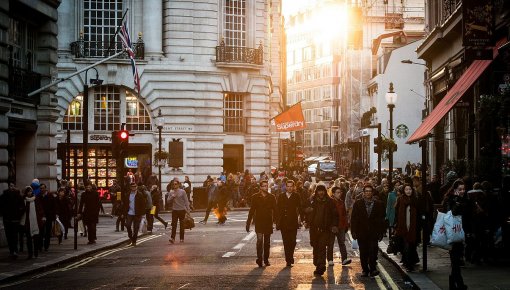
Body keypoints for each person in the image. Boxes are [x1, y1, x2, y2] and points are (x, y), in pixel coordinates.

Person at [350, 184, 386, 277]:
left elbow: (382, 219)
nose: (368, 193)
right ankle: (365, 270)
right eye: (366, 191)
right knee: (363, 252)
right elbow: (354, 218)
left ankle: (373, 269)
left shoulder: (379, 204)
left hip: (374, 232)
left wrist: (382, 232)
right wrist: (353, 231)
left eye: (370, 191)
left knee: (373, 251)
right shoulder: (358, 203)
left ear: (372, 192)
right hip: (361, 232)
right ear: (363, 192)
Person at [441, 179, 469, 290]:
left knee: (456, 261)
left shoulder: (464, 199)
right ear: (454, 190)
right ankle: (460, 285)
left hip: (461, 233)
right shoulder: (450, 200)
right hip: (452, 233)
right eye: (460, 189)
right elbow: (451, 214)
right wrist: (457, 201)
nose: (462, 191)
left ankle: (452, 284)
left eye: (463, 189)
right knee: (455, 260)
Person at [308, 184, 338, 276]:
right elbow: (306, 210)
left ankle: (321, 266)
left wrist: (334, 225)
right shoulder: (312, 201)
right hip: (314, 229)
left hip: (325, 229)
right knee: (315, 246)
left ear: (325, 192)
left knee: (322, 247)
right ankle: (317, 264)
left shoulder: (330, 202)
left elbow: (335, 215)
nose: (321, 193)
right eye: (319, 191)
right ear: (316, 192)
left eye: (322, 191)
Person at [246, 180, 276, 267]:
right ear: (260, 187)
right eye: (263, 186)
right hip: (259, 222)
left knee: (267, 242)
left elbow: (276, 210)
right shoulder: (255, 197)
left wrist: (277, 222)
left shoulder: (272, 197)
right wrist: (248, 223)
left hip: (268, 222)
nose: (265, 187)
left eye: (266, 186)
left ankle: (266, 259)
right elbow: (251, 210)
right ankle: (259, 259)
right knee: (259, 241)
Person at [276, 179, 303, 267]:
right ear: (285, 187)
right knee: (286, 242)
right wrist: (277, 221)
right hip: (283, 222)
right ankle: (288, 259)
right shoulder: (281, 196)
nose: (289, 188)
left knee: (293, 241)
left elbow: (300, 208)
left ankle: (290, 256)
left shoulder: (296, 196)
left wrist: (301, 219)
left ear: (293, 187)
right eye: (288, 186)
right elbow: (278, 209)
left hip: (293, 221)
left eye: (291, 186)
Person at [394, 183, 420, 271]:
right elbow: (397, 213)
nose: (408, 191)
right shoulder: (401, 200)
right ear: (404, 191)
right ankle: (409, 264)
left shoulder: (415, 200)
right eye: (406, 189)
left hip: (413, 227)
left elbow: (419, 214)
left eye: (410, 189)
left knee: (412, 247)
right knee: (406, 247)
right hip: (403, 227)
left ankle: (410, 264)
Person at [328, 186, 352, 266]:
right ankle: (330, 260)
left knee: (342, 243)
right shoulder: (330, 202)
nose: (339, 194)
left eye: (340, 192)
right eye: (337, 192)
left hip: (341, 226)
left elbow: (344, 214)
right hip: (332, 226)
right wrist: (331, 226)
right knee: (330, 243)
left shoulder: (341, 202)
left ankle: (344, 259)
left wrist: (346, 225)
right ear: (333, 193)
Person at [0, 183, 25, 259]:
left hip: (15, 220)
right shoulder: (4, 196)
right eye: (10, 186)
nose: (11, 187)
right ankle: (12, 251)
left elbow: (22, 207)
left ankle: (15, 251)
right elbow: (0, 206)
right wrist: (3, 214)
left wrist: (19, 215)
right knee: (9, 236)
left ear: (15, 187)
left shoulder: (18, 196)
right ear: (8, 187)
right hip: (7, 219)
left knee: (14, 235)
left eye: (13, 186)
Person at [20, 186, 44, 259]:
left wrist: (42, 217)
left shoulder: (35, 200)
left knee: (36, 238)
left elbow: (40, 209)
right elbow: (21, 210)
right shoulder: (23, 200)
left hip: (35, 222)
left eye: (30, 191)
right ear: (26, 193)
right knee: (28, 239)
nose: (29, 193)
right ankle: (30, 254)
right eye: (28, 191)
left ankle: (36, 252)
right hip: (27, 222)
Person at [122, 182, 147, 246]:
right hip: (129, 213)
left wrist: (142, 214)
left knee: (136, 228)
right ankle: (130, 237)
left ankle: (134, 241)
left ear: (136, 187)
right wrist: (123, 213)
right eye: (132, 186)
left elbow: (143, 205)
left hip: (137, 214)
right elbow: (125, 205)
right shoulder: (127, 195)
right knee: (128, 225)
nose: (134, 188)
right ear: (130, 187)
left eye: (135, 186)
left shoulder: (140, 195)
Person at [40, 183, 57, 251]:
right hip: (41, 216)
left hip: (49, 216)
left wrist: (54, 215)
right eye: (40, 188)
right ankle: (40, 245)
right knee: (41, 231)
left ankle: (46, 246)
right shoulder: (38, 196)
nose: (42, 189)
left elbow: (54, 206)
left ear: (45, 188)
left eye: (43, 188)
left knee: (47, 232)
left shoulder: (50, 196)